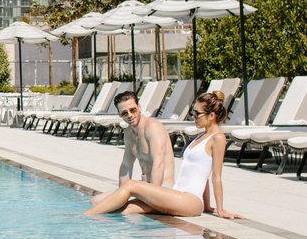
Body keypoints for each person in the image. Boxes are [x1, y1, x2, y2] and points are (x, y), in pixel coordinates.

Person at [85, 90, 243, 219]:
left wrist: (220, 209)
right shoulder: (199, 137)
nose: (193, 117)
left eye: (197, 113)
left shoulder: (218, 138)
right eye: (193, 113)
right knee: (120, 209)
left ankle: (85, 217)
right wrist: (207, 206)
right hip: (177, 195)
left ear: (211, 116)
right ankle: (93, 218)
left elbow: (216, 176)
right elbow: (202, 173)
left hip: (190, 200)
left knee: (130, 186)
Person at [89, 90, 174, 206]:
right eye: (124, 113)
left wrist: (153, 197)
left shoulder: (153, 127)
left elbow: (158, 164)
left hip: (162, 188)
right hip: (144, 186)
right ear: (120, 115)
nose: (129, 115)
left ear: (139, 107)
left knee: (117, 209)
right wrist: (121, 194)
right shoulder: (129, 133)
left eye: (132, 110)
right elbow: (126, 165)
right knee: (96, 201)